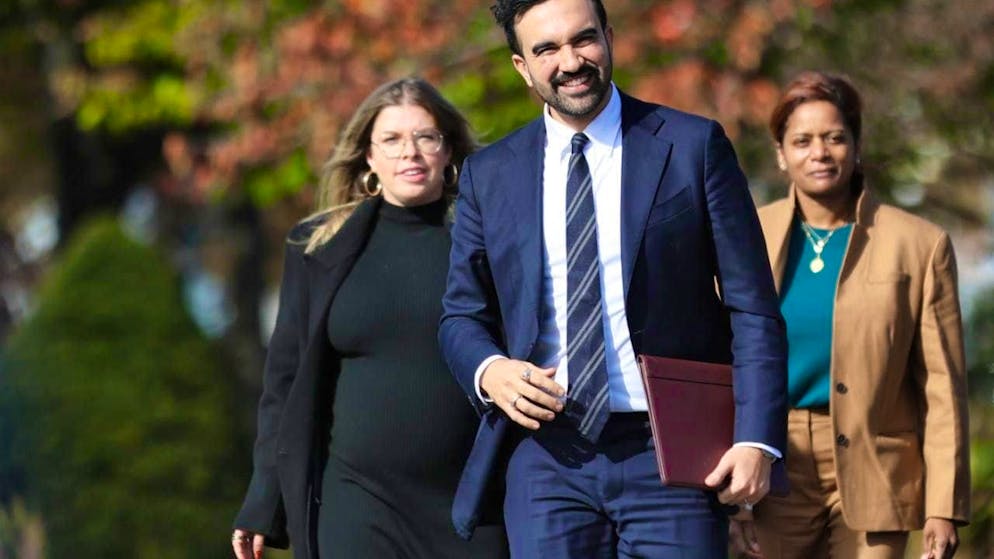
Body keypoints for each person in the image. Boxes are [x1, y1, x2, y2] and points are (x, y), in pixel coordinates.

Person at [438, 0, 789, 556]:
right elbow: (460, 315)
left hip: (671, 452)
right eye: (546, 49)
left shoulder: (693, 147)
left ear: (609, 36)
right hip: (546, 459)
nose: (570, 61)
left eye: (583, 39)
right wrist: (491, 370)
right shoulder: (490, 174)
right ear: (522, 67)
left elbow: (753, 306)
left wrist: (756, 439)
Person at [231, 77, 508, 559]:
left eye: (425, 137)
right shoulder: (318, 248)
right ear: (369, 157)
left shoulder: (490, 242)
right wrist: (263, 500)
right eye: (392, 139)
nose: (410, 153)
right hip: (356, 501)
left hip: (470, 506)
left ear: (448, 151)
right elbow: (284, 385)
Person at [729, 71, 971, 559]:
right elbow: (722, 361)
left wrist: (943, 505)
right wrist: (734, 497)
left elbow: (942, 386)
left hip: (877, 468)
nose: (819, 152)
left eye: (835, 138)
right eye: (802, 141)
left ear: (857, 146)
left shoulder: (919, 245)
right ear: (781, 154)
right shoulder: (746, 234)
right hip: (774, 461)